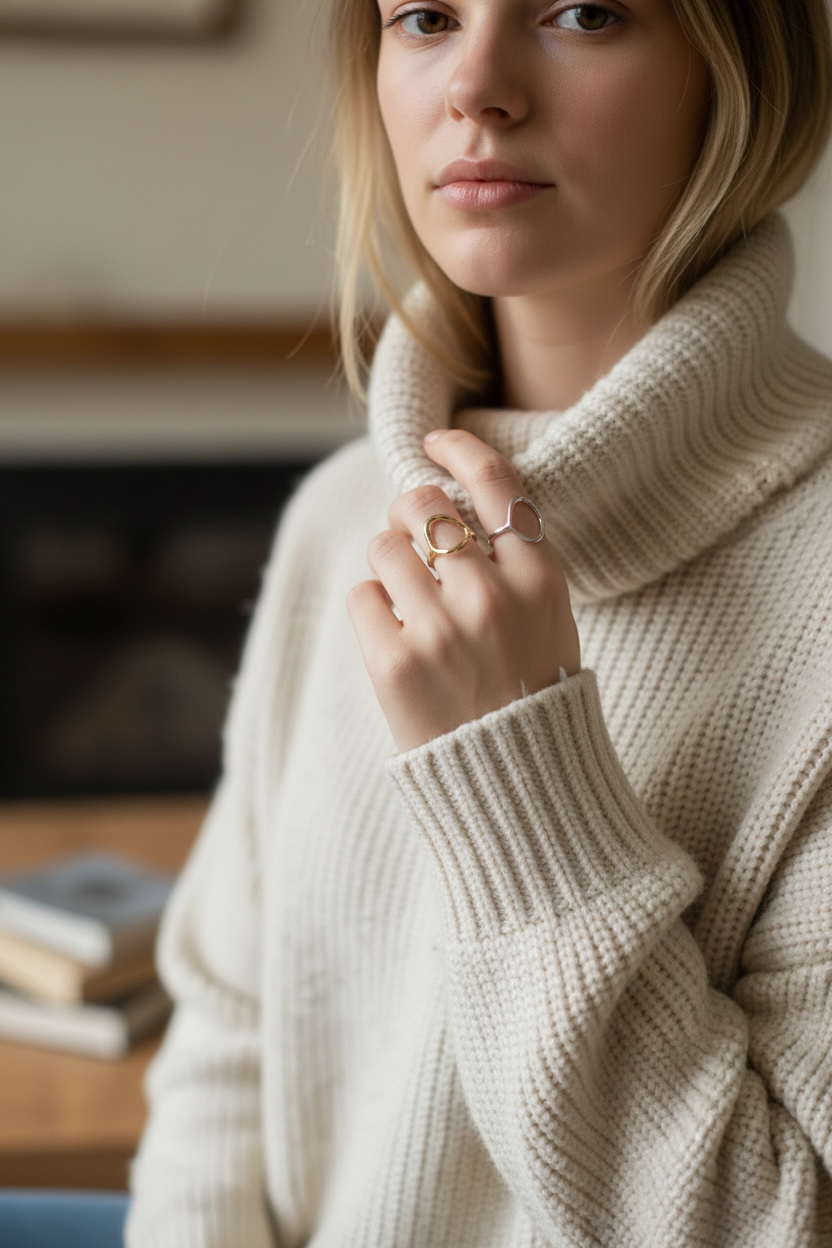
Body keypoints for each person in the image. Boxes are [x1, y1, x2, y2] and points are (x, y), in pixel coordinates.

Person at [126, 0, 832, 1239]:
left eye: (584, 12)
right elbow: (230, 1033)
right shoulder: (335, 521)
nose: (479, 87)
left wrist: (522, 774)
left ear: (738, 71)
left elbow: (770, 1219)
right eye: (427, 18)